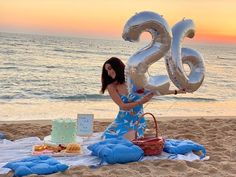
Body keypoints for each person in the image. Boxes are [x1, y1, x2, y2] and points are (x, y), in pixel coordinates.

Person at [101, 57, 185, 140]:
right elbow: (122, 106)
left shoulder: (133, 81)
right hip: (121, 121)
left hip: (138, 122)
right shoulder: (111, 86)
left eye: (109, 68)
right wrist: (140, 102)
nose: (108, 73)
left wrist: (177, 91)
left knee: (128, 142)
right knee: (108, 138)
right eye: (106, 71)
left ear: (117, 67)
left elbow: (155, 91)